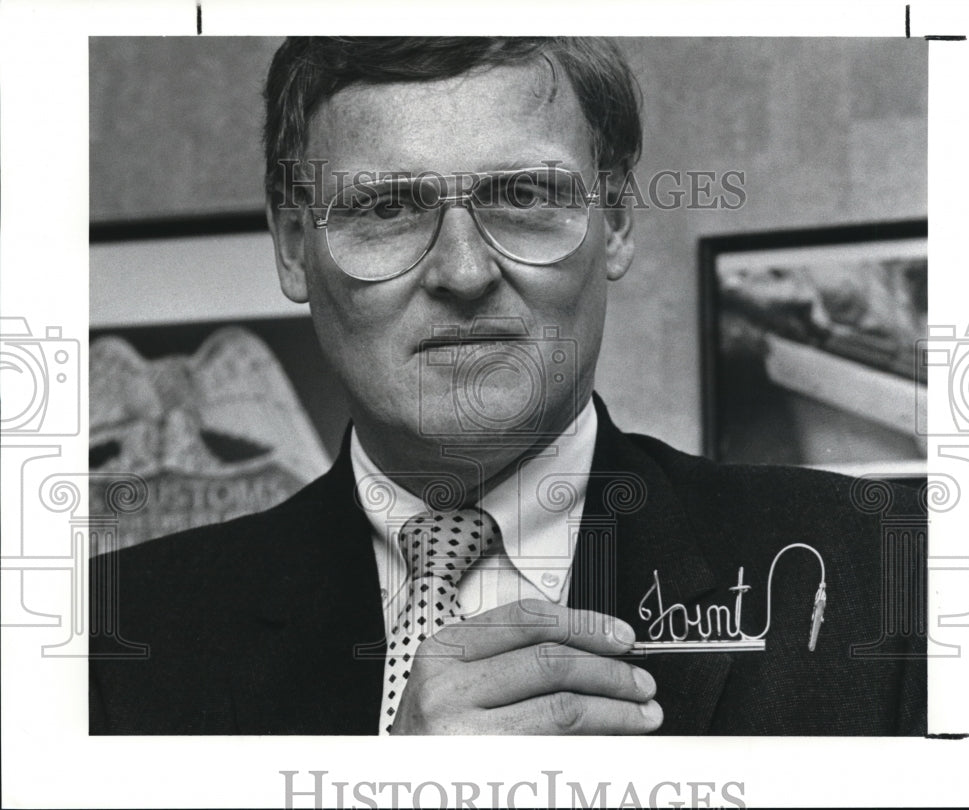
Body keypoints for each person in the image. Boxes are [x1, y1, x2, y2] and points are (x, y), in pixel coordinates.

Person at [89, 36, 926, 735]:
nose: (462, 270)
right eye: (386, 208)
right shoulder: (112, 646)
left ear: (619, 222)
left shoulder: (892, 579)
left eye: (525, 196)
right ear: (290, 243)